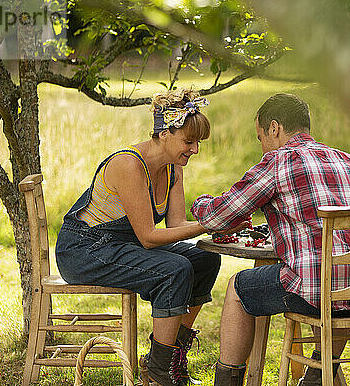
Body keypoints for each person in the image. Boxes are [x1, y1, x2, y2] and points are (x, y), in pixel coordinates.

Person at [191, 93, 350, 386]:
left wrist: (199, 202)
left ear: (274, 128)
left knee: (238, 288)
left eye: (260, 136)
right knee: (338, 277)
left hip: (321, 293)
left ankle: (227, 382)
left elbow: (217, 218)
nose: (262, 146)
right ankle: (317, 375)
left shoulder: (277, 162)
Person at [55, 89, 244, 386]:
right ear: (164, 133)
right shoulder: (128, 164)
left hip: (122, 246)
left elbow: (177, 225)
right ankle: (159, 373)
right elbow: (148, 237)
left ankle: (168, 356)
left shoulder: (173, 170)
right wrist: (208, 224)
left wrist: (216, 225)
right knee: (174, 270)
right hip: (84, 249)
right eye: (189, 141)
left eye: (197, 143)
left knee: (205, 259)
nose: (195, 150)